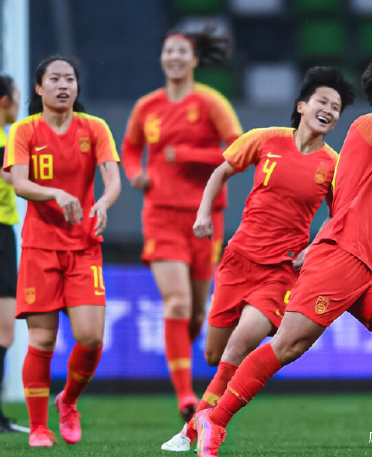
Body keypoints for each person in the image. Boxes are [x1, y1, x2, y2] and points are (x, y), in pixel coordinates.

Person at [192, 51, 372, 457]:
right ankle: (216, 418)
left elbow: (349, 195)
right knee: (287, 347)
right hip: (339, 258)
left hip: (367, 264)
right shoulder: (371, 124)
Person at [122, 26, 243, 422]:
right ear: (162, 58)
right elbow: (131, 146)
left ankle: (180, 356)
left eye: (181, 51)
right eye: (168, 51)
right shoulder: (147, 106)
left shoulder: (211, 102)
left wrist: (190, 154)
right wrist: (135, 173)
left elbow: (239, 149)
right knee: (176, 302)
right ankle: (185, 396)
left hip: (205, 217)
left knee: (194, 314)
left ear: (193, 59)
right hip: (160, 215)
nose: (174, 57)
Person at [3, 56, 121, 447]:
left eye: (69, 78)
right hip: (39, 248)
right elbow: (20, 183)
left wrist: (104, 202)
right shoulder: (24, 130)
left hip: (84, 247)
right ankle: (39, 427)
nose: (63, 85)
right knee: (42, 341)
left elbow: (113, 180)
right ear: (39, 88)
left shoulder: (95, 127)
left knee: (91, 338)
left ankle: (68, 401)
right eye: (54, 79)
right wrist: (55, 192)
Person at [0, 74, 29, 434]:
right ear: (5, 101)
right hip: (1, 234)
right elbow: (14, 180)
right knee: (4, 332)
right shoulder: (6, 141)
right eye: (17, 96)